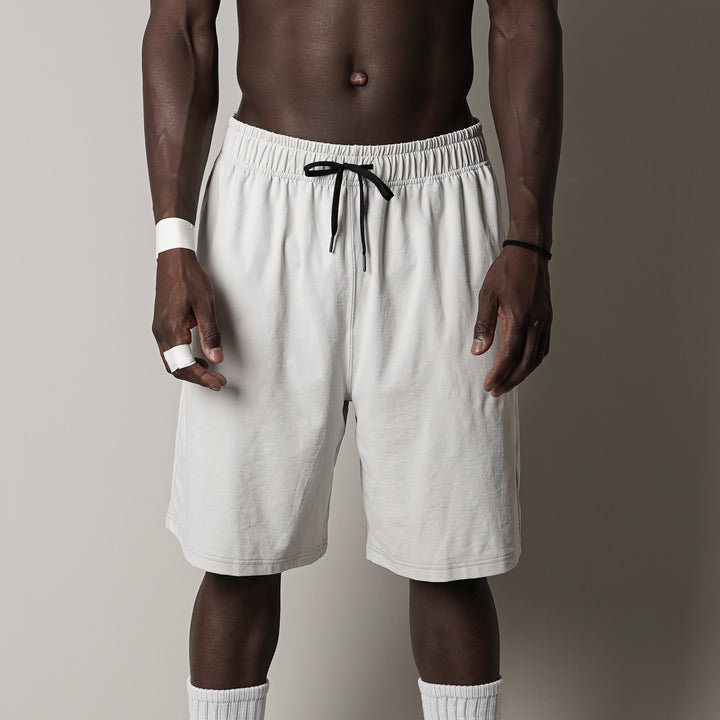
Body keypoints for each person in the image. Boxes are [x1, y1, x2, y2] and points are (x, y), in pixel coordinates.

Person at [142, 1, 562, 718]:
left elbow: (522, 20)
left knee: (452, 557)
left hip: (439, 200)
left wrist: (529, 239)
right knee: (237, 552)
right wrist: (172, 242)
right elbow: (180, 24)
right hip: (266, 201)